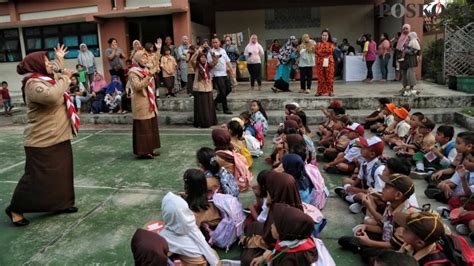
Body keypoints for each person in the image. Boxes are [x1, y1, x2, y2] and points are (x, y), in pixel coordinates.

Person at [6, 45, 78, 226]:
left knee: (62, 174)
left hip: (59, 136)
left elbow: (56, 76)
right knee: (35, 178)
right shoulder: (33, 84)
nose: (50, 63)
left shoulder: (46, 79)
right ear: (36, 65)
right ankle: (15, 208)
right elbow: (52, 96)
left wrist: (59, 60)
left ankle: (62, 203)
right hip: (41, 140)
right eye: (46, 61)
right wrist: (66, 77)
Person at [159, 192, 220, 265]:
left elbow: (163, 253)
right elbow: (205, 246)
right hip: (207, 259)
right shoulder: (190, 225)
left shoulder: (165, 235)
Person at [250, 203, 318, 265]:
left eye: (275, 224)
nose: (271, 226)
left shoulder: (290, 261)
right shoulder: (294, 238)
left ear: (284, 230)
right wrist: (264, 257)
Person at [128, 50, 161, 159]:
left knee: (151, 127)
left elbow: (155, 63)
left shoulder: (146, 69)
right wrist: (149, 76)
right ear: (137, 59)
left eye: (146, 58)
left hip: (149, 101)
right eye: (143, 58)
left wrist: (159, 50)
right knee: (144, 128)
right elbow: (137, 86)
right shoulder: (133, 72)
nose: (145, 60)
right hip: (141, 103)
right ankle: (144, 151)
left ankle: (151, 149)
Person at [190, 47, 218, 128]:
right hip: (199, 88)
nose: (203, 59)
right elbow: (192, 60)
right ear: (199, 58)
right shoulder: (196, 66)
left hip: (208, 88)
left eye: (204, 57)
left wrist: (211, 51)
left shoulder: (208, 66)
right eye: (201, 57)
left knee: (209, 106)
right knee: (200, 107)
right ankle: (200, 122)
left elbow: (215, 61)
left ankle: (210, 121)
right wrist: (197, 51)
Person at [208, 36, 233, 114]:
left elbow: (227, 61)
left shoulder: (223, 50)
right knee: (222, 91)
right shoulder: (210, 52)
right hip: (216, 75)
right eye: (213, 42)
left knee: (229, 89)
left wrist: (232, 71)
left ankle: (214, 103)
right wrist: (215, 59)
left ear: (219, 42)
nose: (215, 44)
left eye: (216, 42)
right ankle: (225, 109)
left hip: (224, 73)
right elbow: (210, 64)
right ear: (212, 44)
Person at [400, 31, 421, 96]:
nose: (408, 37)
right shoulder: (409, 42)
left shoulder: (414, 42)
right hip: (406, 60)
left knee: (410, 74)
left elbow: (413, 52)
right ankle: (404, 87)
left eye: (409, 36)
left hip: (411, 60)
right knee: (404, 73)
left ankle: (411, 87)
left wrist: (405, 49)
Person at [315, 30, 335, 96]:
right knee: (320, 77)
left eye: (326, 35)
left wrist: (321, 52)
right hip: (320, 62)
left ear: (328, 36)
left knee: (329, 77)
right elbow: (317, 52)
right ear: (321, 36)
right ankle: (319, 91)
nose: (324, 37)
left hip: (329, 62)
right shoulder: (318, 44)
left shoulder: (331, 44)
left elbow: (330, 51)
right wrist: (323, 52)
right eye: (323, 35)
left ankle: (330, 91)